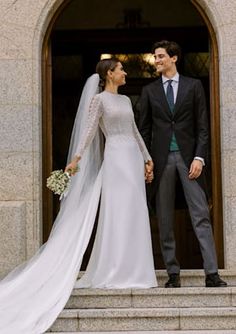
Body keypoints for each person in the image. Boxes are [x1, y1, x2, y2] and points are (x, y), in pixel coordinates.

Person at [0, 58, 157, 334]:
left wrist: (147, 158)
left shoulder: (126, 102)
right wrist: (77, 158)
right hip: (116, 159)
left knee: (135, 212)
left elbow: (134, 132)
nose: (125, 73)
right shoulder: (99, 100)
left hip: (132, 158)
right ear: (110, 73)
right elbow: (88, 132)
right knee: (117, 213)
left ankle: (139, 270)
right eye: (121, 69)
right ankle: (116, 269)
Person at [139, 40, 227, 288]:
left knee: (200, 215)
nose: (156, 60)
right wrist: (147, 160)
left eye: (160, 56)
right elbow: (144, 130)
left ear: (174, 58)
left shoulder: (194, 86)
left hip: (190, 159)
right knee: (164, 217)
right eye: (155, 57)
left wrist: (200, 157)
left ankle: (211, 273)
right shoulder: (149, 91)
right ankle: (172, 273)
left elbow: (203, 126)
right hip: (161, 159)